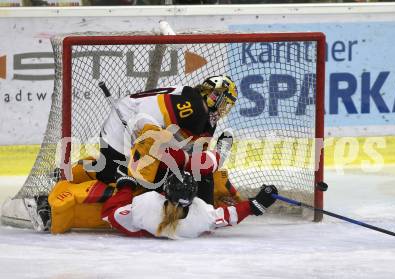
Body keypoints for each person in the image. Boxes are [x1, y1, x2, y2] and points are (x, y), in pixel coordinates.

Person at [28, 75, 241, 234]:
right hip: (124, 129)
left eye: (228, 105)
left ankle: (71, 173)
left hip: (138, 128)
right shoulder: (196, 108)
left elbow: (185, 150)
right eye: (223, 101)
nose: (224, 108)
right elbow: (151, 132)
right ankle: (47, 202)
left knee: (127, 174)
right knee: (126, 180)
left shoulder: (201, 111)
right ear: (211, 95)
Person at [101, 171, 278, 239]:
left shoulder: (146, 204)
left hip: (146, 218)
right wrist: (255, 204)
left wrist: (125, 187)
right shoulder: (201, 217)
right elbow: (227, 216)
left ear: (166, 191)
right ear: (193, 197)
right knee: (208, 177)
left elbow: (109, 212)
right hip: (191, 211)